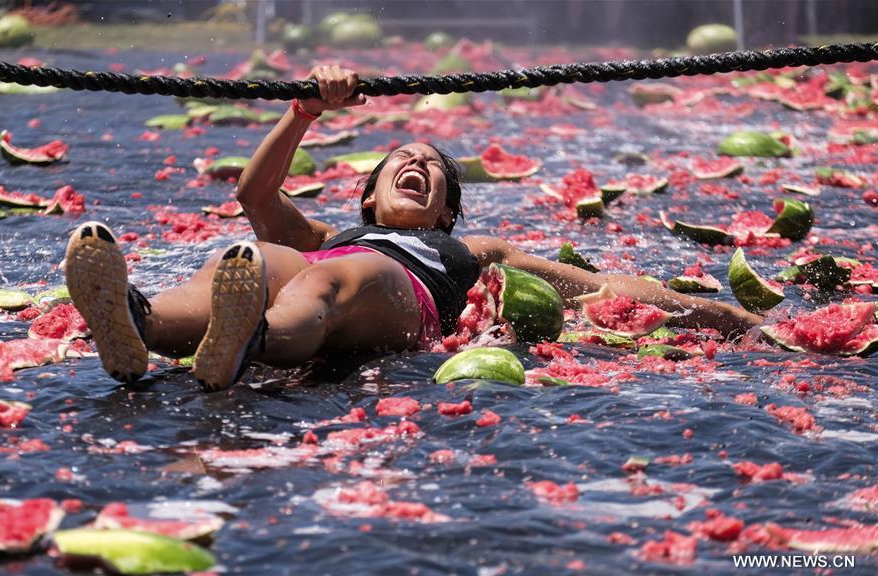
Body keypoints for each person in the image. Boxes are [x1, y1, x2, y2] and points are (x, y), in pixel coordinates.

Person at [64, 65, 762, 391]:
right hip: (320, 275)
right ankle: (140, 326)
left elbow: (594, 286)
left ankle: (251, 339)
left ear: (446, 214)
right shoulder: (333, 234)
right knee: (250, 260)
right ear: (368, 199)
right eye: (402, 159)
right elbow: (256, 192)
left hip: (401, 301)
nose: (417, 164)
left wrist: (711, 311)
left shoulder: (471, 250)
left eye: (432, 168)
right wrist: (303, 110)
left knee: (340, 275)